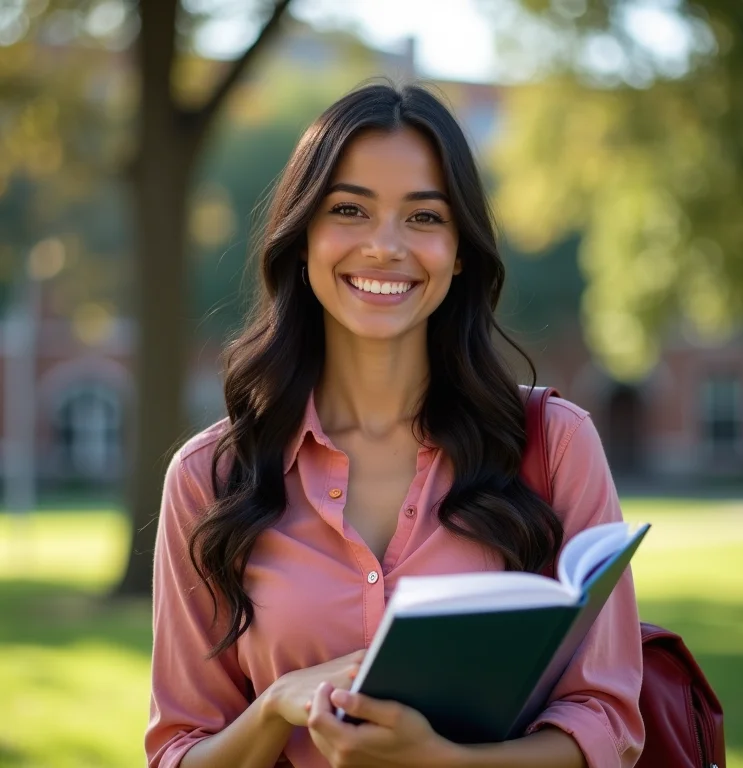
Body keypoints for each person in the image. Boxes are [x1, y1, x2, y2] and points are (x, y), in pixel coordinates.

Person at [146, 82, 644, 768]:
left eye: (423, 217)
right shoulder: (211, 477)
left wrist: (443, 762)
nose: (384, 247)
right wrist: (274, 707)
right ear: (303, 236)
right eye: (349, 209)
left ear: (461, 248)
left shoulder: (554, 444)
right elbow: (177, 749)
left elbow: (605, 720)